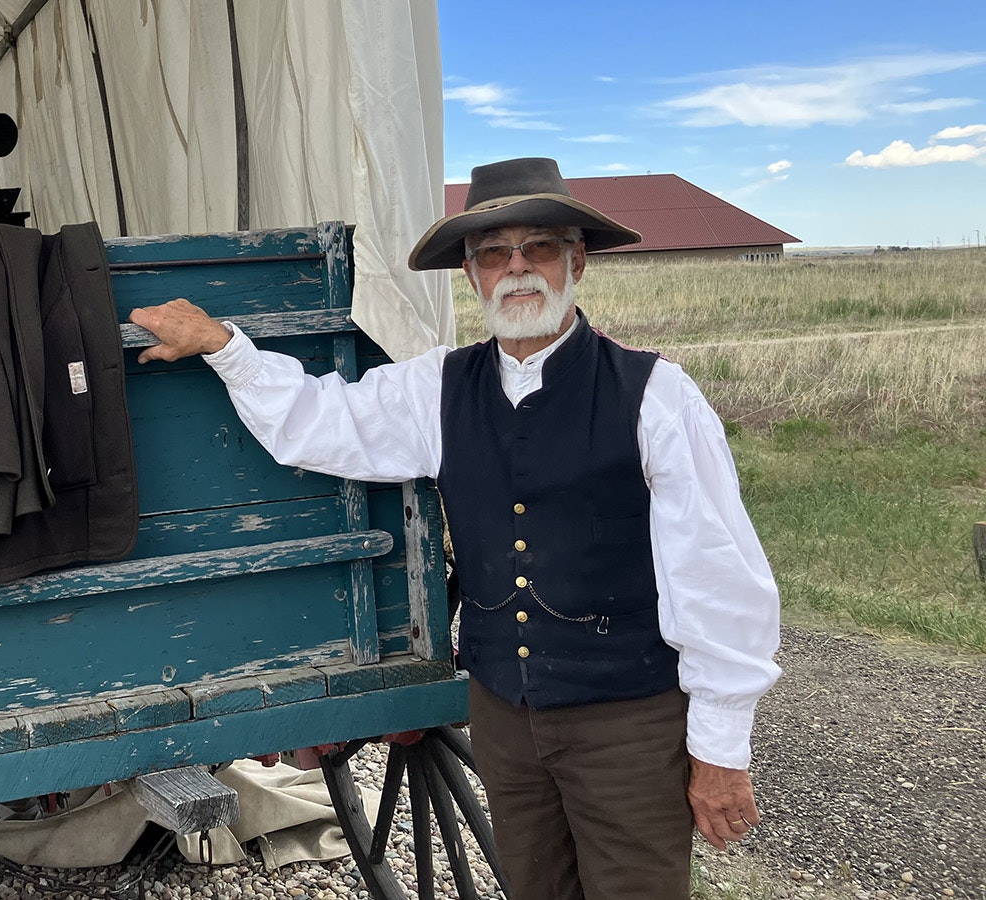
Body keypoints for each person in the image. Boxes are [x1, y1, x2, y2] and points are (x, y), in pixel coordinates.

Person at [128, 157, 782, 899]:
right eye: (493, 254)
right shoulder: (439, 385)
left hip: (627, 721)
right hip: (504, 716)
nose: (517, 269)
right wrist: (225, 347)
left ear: (577, 262)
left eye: (538, 248)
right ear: (470, 274)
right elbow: (321, 419)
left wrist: (721, 748)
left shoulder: (657, 396)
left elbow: (720, 578)